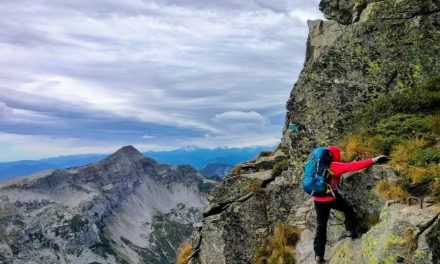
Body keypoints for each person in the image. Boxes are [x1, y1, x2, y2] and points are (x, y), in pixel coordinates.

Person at [314, 146, 389, 264]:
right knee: (348, 209)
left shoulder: (317, 166)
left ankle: (318, 256)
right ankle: (350, 231)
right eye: (338, 153)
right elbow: (353, 167)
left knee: (321, 226)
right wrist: (374, 159)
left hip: (318, 199)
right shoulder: (334, 166)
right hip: (331, 198)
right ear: (335, 155)